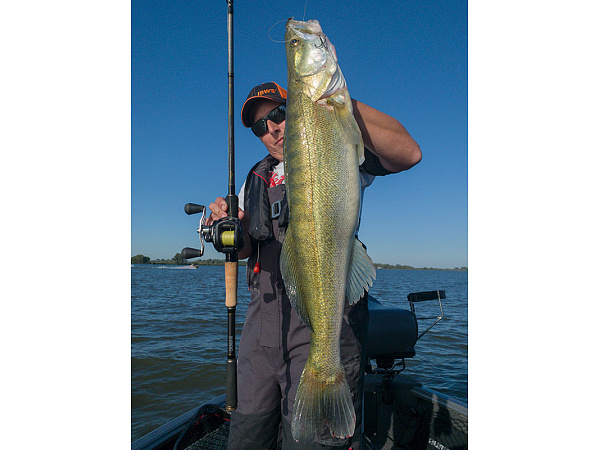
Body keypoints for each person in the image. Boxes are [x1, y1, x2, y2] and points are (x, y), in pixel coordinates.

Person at [207, 81, 421, 449]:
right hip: (262, 329)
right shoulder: (253, 181)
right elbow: (244, 251)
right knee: (247, 432)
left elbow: (409, 153)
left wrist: (334, 103)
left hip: (325, 322)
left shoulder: (336, 147)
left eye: (279, 114)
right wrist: (229, 231)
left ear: (298, 109)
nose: (272, 129)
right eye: (260, 126)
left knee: (314, 441)